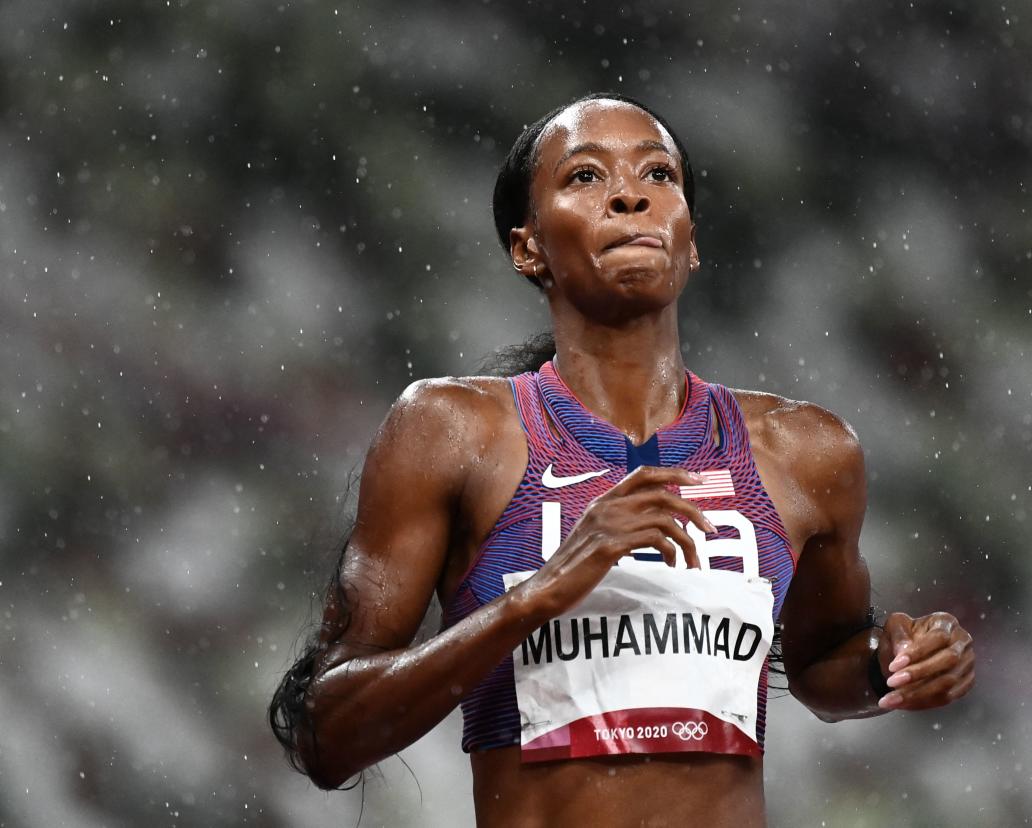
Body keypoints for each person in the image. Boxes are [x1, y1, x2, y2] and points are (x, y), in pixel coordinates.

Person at [270, 92, 975, 827]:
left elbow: (823, 660)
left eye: (658, 175)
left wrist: (892, 662)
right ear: (527, 247)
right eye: (584, 176)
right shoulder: (453, 432)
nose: (631, 194)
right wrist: (539, 595)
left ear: (691, 240)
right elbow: (327, 733)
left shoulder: (806, 452)